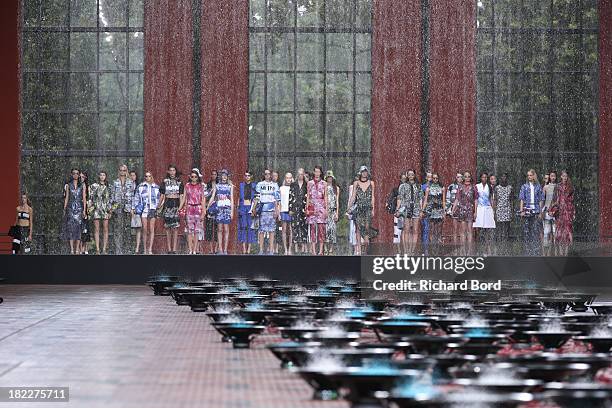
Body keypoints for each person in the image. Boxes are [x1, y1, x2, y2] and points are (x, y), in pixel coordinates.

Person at [347, 165, 375, 256]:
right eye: (363, 171)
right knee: (358, 229)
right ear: (360, 173)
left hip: (367, 208)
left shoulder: (371, 183)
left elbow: (372, 197)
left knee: (366, 228)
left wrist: (373, 208)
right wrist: (349, 207)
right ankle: (358, 249)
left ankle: (365, 249)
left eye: (366, 171)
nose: (364, 173)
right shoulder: (356, 183)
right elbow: (353, 196)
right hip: (358, 208)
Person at [133, 171, 160, 255]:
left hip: (152, 209)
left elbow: (159, 198)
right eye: (146, 176)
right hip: (144, 209)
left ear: (151, 177)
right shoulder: (140, 186)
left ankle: (150, 249)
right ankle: (144, 249)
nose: (147, 177)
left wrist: (158, 208)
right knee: (144, 229)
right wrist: (135, 208)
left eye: (149, 176)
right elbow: (136, 198)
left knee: (151, 229)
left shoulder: (156, 187)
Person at [451, 171, 478, 255]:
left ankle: (469, 251)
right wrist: (453, 209)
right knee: (462, 231)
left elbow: (476, 200)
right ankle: (462, 250)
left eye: (468, 176)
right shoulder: (460, 187)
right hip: (462, 210)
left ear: (470, 178)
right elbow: (457, 199)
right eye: (465, 176)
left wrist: (475, 212)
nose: (467, 178)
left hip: (470, 209)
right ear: (463, 178)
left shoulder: (474, 187)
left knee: (470, 231)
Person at [158, 165, 184, 254]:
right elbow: (162, 195)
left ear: (175, 172)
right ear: (168, 172)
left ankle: (174, 249)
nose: (172, 172)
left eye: (174, 170)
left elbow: (181, 196)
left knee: (176, 227)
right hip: (167, 204)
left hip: (176, 204)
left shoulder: (180, 182)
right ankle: (169, 249)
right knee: (168, 227)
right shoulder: (165, 182)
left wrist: (180, 207)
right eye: (171, 170)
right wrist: (158, 206)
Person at [208, 169, 234, 255]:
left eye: (225, 175)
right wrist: (207, 206)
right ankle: (220, 249)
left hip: (227, 209)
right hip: (219, 209)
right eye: (222, 175)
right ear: (220, 177)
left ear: (227, 177)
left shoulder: (230, 186)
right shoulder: (217, 185)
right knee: (219, 229)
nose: (224, 177)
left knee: (226, 229)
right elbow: (212, 196)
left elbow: (232, 199)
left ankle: (225, 249)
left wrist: (232, 212)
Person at [519, 169, 544, 256]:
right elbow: (522, 199)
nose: (529, 177)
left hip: (536, 210)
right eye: (528, 175)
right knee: (526, 231)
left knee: (535, 230)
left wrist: (541, 212)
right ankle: (527, 251)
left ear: (534, 176)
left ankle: (535, 251)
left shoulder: (538, 186)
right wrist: (521, 211)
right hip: (527, 210)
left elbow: (541, 200)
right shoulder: (524, 186)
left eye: (530, 175)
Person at [396, 169, 421, 254]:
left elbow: (420, 198)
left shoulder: (418, 185)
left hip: (416, 208)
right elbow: (399, 198)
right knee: (406, 229)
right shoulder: (403, 186)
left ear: (414, 175)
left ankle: (412, 250)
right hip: (406, 208)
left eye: (412, 174)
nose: (411, 176)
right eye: (409, 174)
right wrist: (397, 209)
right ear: (407, 176)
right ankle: (406, 250)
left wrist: (421, 210)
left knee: (415, 230)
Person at [182, 169, 207, 255]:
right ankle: (190, 249)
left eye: (195, 177)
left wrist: (204, 212)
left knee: (197, 231)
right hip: (189, 208)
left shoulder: (201, 186)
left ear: (198, 177)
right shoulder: (187, 186)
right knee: (189, 231)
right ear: (190, 177)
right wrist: (183, 209)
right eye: (192, 177)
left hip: (198, 208)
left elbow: (203, 199)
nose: (194, 178)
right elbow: (185, 199)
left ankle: (195, 249)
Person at [111, 164, 134, 254]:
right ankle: (118, 250)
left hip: (127, 208)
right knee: (118, 229)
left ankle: (127, 249)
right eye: (121, 170)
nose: (122, 172)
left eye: (124, 170)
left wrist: (132, 208)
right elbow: (112, 196)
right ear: (119, 171)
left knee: (127, 229)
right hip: (118, 207)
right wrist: (111, 208)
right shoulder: (115, 182)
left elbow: (132, 196)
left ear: (126, 171)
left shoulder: (130, 182)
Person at [255, 169, 280, 255]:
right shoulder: (259, 184)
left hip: (271, 210)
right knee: (261, 231)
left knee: (271, 231)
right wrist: (254, 209)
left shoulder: (275, 185)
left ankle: (271, 250)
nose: (267, 176)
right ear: (264, 175)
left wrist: (277, 211)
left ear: (271, 175)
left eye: (269, 174)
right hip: (262, 210)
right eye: (266, 174)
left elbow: (277, 199)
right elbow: (256, 198)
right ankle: (261, 250)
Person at [89, 171, 113, 255]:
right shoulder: (94, 186)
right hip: (96, 209)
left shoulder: (109, 186)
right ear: (98, 176)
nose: (102, 176)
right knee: (96, 229)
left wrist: (110, 210)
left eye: (104, 175)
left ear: (106, 176)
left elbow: (111, 199)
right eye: (101, 175)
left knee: (105, 229)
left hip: (105, 209)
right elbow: (90, 198)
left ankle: (104, 249)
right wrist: (90, 209)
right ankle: (97, 249)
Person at [63, 168, 86, 255]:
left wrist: (84, 210)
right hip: (71, 208)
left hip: (79, 208)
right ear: (72, 174)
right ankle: (72, 249)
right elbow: (67, 198)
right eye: (74, 173)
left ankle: (77, 249)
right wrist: (64, 208)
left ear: (79, 174)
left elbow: (84, 198)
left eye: (77, 173)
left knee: (79, 229)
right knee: (71, 229)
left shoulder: (82, 185)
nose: (75, 175)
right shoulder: (69, 185)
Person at [306, 166, 328, 256]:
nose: (317, 173)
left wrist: (326, 209)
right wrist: (307, 208)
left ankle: (321, 250)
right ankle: (313, 251)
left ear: (321, 173)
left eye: (318, 172)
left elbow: (326, 196)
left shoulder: (324, 183)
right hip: (312, 206)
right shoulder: (310, 183)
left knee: (321, 229)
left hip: (321, 206)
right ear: (314, 172)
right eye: (315, 171)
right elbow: (308, 196)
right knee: (312, 229)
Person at [422, 173, 445, 253]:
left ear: (438, 179)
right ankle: (432, 248)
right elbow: (425, 200)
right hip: (431, 210)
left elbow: (443, 200)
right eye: (434, 178)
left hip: (439, 210)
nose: (435, 180)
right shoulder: (428, 188)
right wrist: (422, 210)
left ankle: (437, 248)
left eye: (436, 178)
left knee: (438, 230)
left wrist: (444, 211)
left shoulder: (442, 188)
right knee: (431, 229)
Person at [473, 172, 496, 255]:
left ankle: (488, 250)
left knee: (487, 230)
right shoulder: (477, 186)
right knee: (478, 229)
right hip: (479, 209)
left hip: (488, 209)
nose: (484, 179)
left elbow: (491, 199)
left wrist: (493, 210)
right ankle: (478, 249)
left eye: (486, 177)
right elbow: (475, 199)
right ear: (480, 178)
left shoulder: (490, 187)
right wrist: (475, 211)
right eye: (483, 177)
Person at [553, 170, 575, 256]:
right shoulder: (558, 186)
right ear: (561, 176)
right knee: (559, 231)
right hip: (560, 210)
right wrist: (553, 209)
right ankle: (560, 253)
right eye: (563, 176)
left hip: (568, 210)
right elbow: (556, 199)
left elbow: (572, 201)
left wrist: (573, 212)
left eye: (566, 176)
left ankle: (566, 253)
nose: (565, 178)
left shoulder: (571, 187)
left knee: (568, 230)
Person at [289, 168, 308, 254]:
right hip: (295, 208)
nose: (300, 175)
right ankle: (296, 247)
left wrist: (308, 208)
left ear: (303, 174)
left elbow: (309, 197)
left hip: (304, 208)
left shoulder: (307, 184)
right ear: (297, 174)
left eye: (302, 174)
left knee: (304, 227)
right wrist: (290, 209)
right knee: (295, 227)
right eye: (299, 174)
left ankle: (304, 246)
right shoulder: (293, 184)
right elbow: (290, 197)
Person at [238, 171, 257, 254]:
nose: (247, 177)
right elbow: (239, 197)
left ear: (251, 176)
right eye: (245, 176)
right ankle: (243, 248)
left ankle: (249, 248)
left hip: (250, 206)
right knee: (243, 227)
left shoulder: (254, 185)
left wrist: (254, 209)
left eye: (248, 176)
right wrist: (238, 208)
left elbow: (256, 198)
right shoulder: (241, 185)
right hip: (242, 206)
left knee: (250, 228)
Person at [494, 173, 513, 254]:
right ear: (500, 178)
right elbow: (495, 200)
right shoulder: (497, 188)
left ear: (507, 178)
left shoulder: (510, 188)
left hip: (507, 209)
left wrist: (512, 210)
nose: (503, 178)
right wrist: (494, 211)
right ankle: (499, 246)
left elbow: (512, 200)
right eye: (502, 176)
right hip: (499, 209)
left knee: (507, 228)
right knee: (499, 228)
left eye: (505, 176)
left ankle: (506, 245)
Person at [542, 171, 558, 256]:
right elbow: (542, 199)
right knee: (546, 232)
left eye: (554, 176)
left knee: (555, 232)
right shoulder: (545, 187)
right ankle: (546, 253)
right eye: (551, 176)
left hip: (555, 212)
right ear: (549, 177)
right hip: (547, 211)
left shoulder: (558, 187)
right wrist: (542, 211)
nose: (553, 177)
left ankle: (555, 252)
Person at [325, 170, 340, 255]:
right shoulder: (324, 187)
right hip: (326, 210)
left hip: (333, 210)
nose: (329, 179)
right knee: (326, 229)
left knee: (332, 229)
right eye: (328, 177)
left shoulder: (336, 188)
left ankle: (331, 248)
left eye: (331, 177)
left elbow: (337, 201)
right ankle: (325, 247)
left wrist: (337, 213)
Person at [279, 172, 294, 255]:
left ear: (292, 178)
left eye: (290, 178)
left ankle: (290, 249)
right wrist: (279, 213)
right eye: (287, 178)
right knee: (284, 230)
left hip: (291, 211)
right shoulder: (281, 188)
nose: (288, 179)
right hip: (283, 210)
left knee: (291, 230)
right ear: (285, 178)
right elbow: (279, 201)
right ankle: (285, 249)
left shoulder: (294, 188)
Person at [392, 173, 407, 253]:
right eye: (403, 178)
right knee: (397, 232)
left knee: (405, 232)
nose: (404, 180)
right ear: (400, 179)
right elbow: (392, 201)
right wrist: (396, 210)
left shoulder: (409, 189)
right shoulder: (396, 189)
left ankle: (405, 251)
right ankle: (397, 251)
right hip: (398, 213)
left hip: (407, 213)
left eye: (405, 178)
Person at [204, 170, 218, 254]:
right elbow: (205, 196)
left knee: (217, 228)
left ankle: (216, 249)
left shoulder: (220, 184)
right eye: (212, 174)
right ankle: (210, 249)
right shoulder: (207, 184)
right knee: (209, 228)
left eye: (215, 174)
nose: (214, 176)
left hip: (217, 208)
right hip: (209, 207)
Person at [129, 170, 142, 254]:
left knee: (138, 228)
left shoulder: (139, 186)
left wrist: (135, 208)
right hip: (127, 208)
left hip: (137, 209)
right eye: (131, 175)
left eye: (134, 175)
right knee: (129, 229)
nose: (132, 177)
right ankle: (129, 246)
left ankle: (137, 248)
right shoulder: (126, 185)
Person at [79, 171, 91, 254]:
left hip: (85, 209)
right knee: (78, 229)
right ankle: (79, 249)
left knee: (86, 229)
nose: (81, 178)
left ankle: (86, 248)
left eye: (83, 177)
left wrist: (86, 210)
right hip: (76, 208)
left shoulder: (87, 186)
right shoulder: (75, 186)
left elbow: (89, 199)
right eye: (80, 177)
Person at [421, 172, 433, 251]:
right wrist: (422, 209)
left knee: (433, 229)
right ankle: (425, 250)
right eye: (428, 177)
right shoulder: (423, 187)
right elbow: (421, 198)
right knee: (425, 229)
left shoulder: (435, 186)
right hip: (425, 209)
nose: (430, 178)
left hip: (434, 209)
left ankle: (433, 249)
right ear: (426, 178)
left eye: (431, 177)